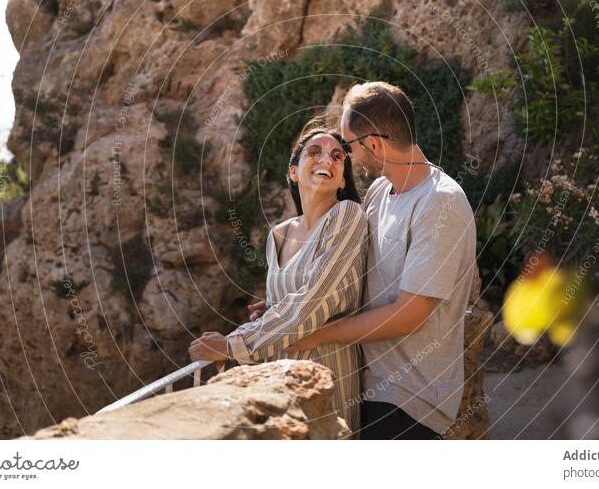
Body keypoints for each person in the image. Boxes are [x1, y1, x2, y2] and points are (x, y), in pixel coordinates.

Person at [282, 81, 477, 439]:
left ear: (373, 144)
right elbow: (349, 275)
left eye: (348, 146)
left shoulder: (440, 203)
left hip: (409, 401)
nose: (348, 155)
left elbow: (410, 315)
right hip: (368, 384)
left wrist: (318, 335)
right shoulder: (379, 192)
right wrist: (289, 305)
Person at [189, 125, 368, 433]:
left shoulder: (347, 216)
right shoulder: (279, 234)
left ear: (341, 181)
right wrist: (268, 312)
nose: (327, 158)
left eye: (338, 156)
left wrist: (232, 345)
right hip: (276, 378)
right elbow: (283, 307)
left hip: (326, 379)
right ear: (294, 172)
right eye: (314, 152)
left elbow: (312, 304)